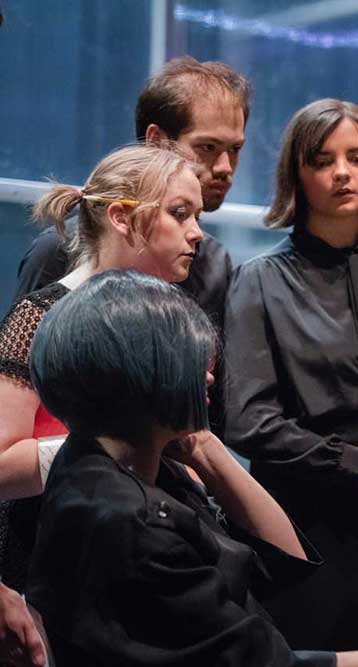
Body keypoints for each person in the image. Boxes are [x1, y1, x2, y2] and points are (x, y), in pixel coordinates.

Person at [25, 270, 358, 667]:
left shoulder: (120, 468)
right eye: (192, 364)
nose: (209, 377)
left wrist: (206, 450)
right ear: (143, 375)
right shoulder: (136, 523)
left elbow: (287, 559)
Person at [224, 99, 358, 651]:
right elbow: (248, 420)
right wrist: (357, 465)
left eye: (357, 158)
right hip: (309, 524)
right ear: (297, 173)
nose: (342, 173)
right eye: (323, 159)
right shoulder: (258, 282)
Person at [0, 143, 204, 592]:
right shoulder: (39, 316)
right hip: (50, 560)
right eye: (180, 213)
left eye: (198, 216)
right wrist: (127, 433)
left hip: (146, 550)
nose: (197, 233)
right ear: (120, 216)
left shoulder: (171, 321)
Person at [13, 55, 246, 331]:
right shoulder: (59, 249)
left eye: (235, 149)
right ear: (157, 141)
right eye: (208, 147)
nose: (225, 167)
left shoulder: (214, 261)